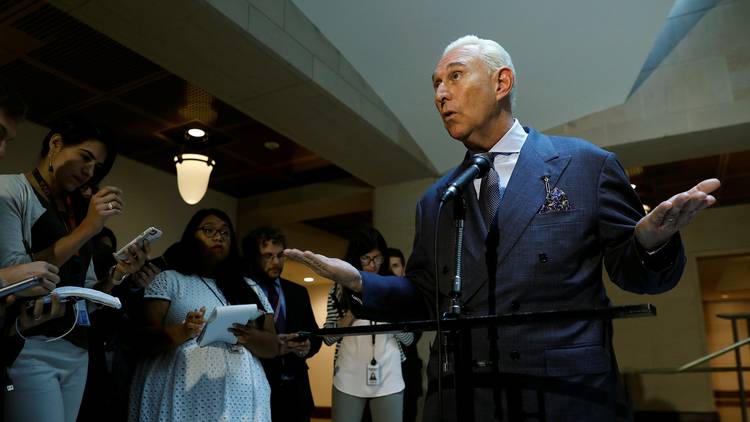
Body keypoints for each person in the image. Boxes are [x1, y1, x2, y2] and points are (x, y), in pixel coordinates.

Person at [286, 35, 721, 421]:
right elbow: (423, 297)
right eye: (435, 83)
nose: (440, 94)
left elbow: (638, 275)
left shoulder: (586, 167)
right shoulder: (435, 199)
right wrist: (361, 281)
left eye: (455, 76)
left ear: (501, 83)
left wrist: (649, 240)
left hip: (562, 396)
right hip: (460, 399)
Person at [0, 115, 153, 422]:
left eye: (97, 167)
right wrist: (88, 228)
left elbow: (86, 300)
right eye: (85, 158)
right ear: (56, 144)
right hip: (30, 343)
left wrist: (118, 274)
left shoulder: (74, 212)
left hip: (77, 349)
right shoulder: (11, 190)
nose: (89, 172)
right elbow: (14, 273)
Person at [129, 209, 279, 421]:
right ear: (192, 236)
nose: (218, 237)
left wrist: (247, 335)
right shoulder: (169, 280)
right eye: (209, 230)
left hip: (240, 395)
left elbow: (273, 346)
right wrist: (182, 331)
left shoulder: (250, 287)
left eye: (225, 233)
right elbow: (144, 340)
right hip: (182, 390)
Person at [324, 228, 413, 422]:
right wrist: (350, 317)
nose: (373, 265)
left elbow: (409, 338)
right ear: (355, 258)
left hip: (389, 375)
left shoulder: (394, 287)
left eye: (378, 258)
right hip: (348, 375)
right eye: (366, 258)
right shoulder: (338, 288)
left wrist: (388, 313)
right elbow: (328, 338)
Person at [243, 226, 322, 422]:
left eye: (280, 255)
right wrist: (271, 343)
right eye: (268, 256)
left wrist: (308, 345)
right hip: (259, 389)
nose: (276, 262)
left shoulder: (298, 292)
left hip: (297, 391)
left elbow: (315, 335)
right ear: (255, 257)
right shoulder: (243, 291)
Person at [388, 247, 424, 422]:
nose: (391, 270)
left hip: (407, 373)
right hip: (378, 374)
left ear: (403, 270)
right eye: (388, 266)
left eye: (395, 265)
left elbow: (414, 337)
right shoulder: (373, 296)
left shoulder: (414, 298)